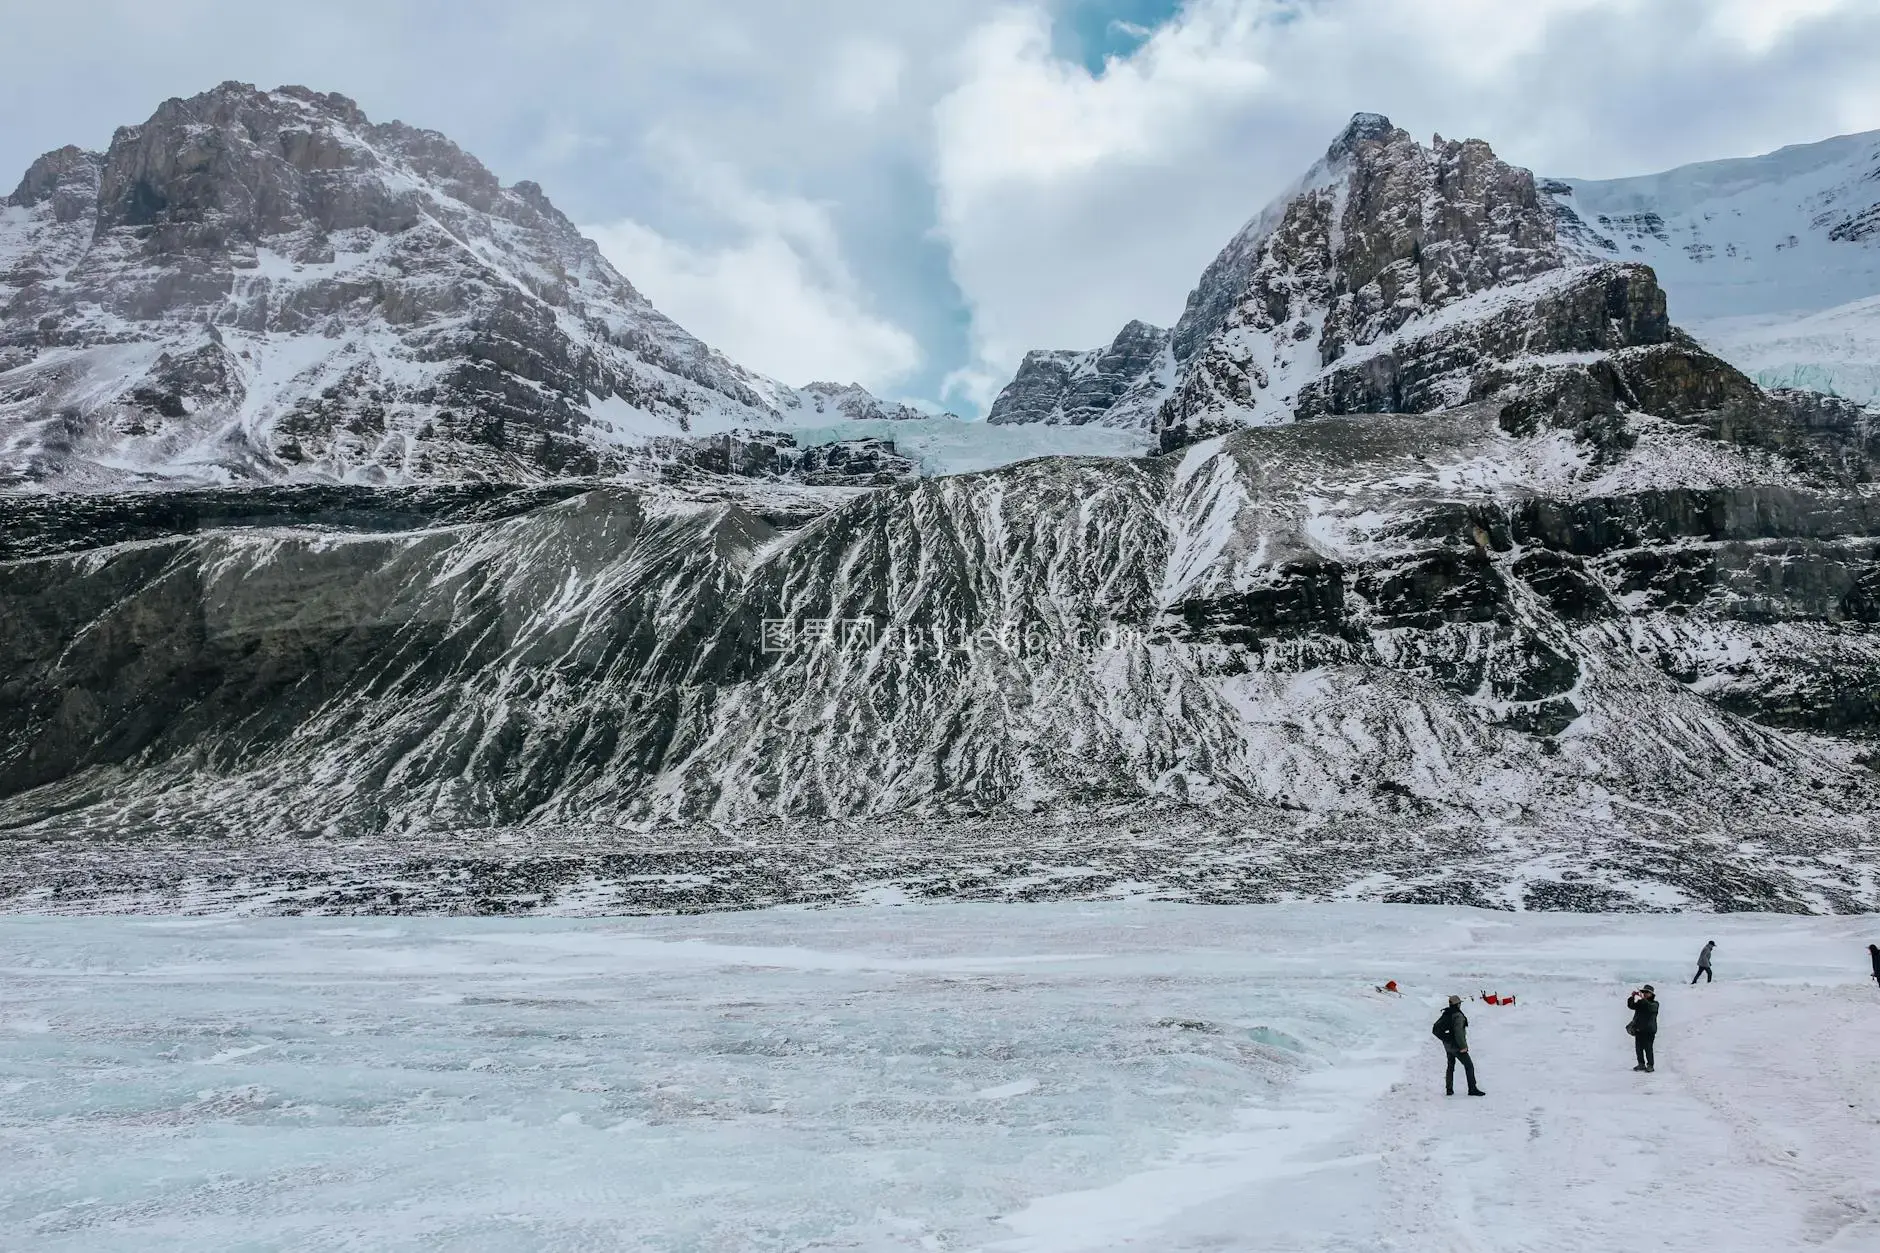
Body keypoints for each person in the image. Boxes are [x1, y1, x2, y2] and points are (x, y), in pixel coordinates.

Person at [1431, 995, 1485, 1096]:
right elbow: (1459, 1032)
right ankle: (1472, 1089)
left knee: (1450, 1066)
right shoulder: (1458, 1015)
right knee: (1469, 1066)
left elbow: (1437, 1028)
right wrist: (1463, 1046)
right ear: (1458, 1004)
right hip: (1456, 1045)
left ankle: (1449, 1089)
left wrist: (1446, 1039)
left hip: (1447, 1045)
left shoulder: (1447, 1013)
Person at [1626, 985, 1659, 1072]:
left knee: (1648, 1048)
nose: (1645, 994)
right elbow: (1631, 1006)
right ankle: (1641, 1064)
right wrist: (1632, 997)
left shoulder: (1655, 1004)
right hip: (1639, 1029)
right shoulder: (1641, 1003)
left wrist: (1642, 999)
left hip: (1649, 1030)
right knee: (1638, 1048)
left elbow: (1649, 1007)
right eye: (1643, 992)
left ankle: (1650, 1065)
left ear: (1651, 994)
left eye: (1647, 992)